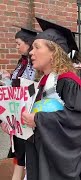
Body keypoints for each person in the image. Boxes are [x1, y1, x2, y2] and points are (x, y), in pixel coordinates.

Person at [21, 17, 81, 180]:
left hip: (62, 165)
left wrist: (39, 119)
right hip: (44, 155)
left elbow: (79, 119)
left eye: (36, 47)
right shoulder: (43, 82)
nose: (30, 52)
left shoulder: (69, 82)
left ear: (54, 52)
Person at [0, 26, 37, 180]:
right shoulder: (21, 62)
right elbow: (17, 84)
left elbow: (31, 86)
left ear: (28, 43)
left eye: (18, 43)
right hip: (17, 111)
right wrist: (7, 79)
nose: (16, 46)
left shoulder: (35, 64)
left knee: (26, 151)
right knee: (19, 151)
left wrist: (12, 81)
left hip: (29, 111)